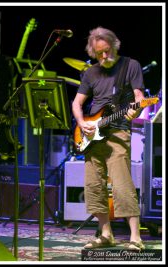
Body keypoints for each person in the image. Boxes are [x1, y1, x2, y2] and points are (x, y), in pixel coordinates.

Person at [72, 27, 145, 250]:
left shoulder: (130, 65)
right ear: (93, 53)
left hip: (117, 131)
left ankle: (135, 238)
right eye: (99, 53)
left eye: (107, 51)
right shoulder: (91, 73)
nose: (104, 57)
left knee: (122, 184)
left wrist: (136, 110)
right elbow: (77, 103)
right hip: (91, 134)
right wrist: (82, 122)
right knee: (93, 185)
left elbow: (139, 98)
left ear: (115, 45)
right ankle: (106, 234)